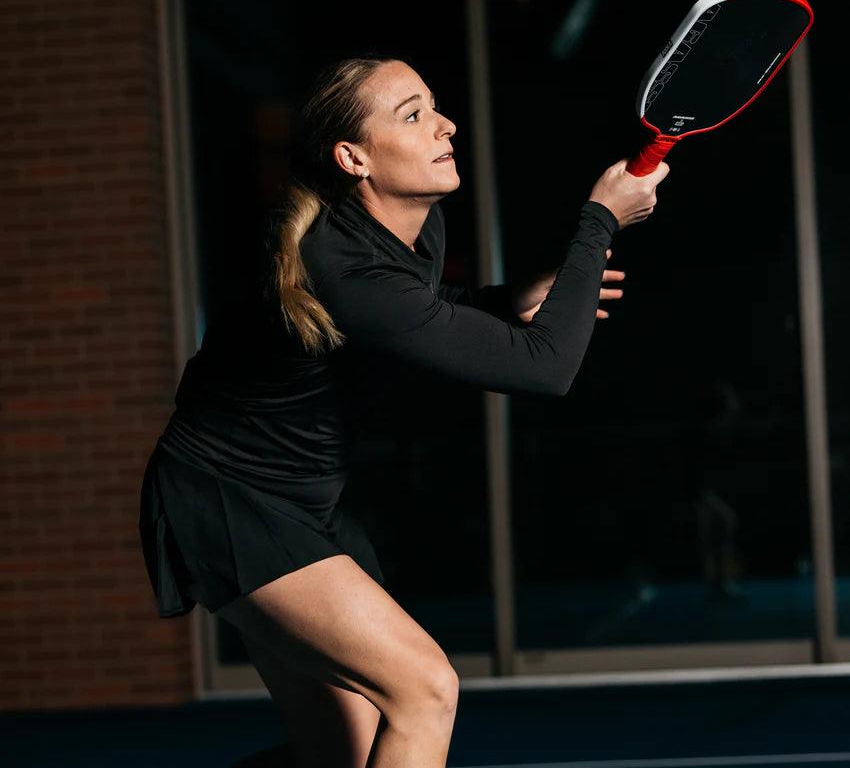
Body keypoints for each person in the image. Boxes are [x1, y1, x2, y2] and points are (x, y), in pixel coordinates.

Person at [138, 54, 669, 768]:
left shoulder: (412, 235)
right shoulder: (338, 260)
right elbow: (542, 368)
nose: (445, 124)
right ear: (353, 157)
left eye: (435, 105)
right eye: (412, 115)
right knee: (424, 690)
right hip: (227, 501)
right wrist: (601, 217)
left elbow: (421, 313)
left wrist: (504, 300)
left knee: (344, 754)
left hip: (300, 503)